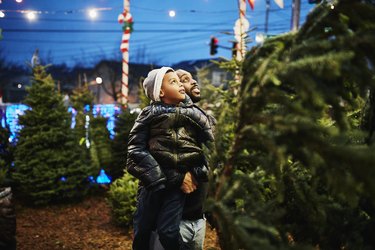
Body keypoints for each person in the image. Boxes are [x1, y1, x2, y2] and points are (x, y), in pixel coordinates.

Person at [127, 67, 214, 250]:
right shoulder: (149, 113)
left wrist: (199, 171)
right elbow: (135, 151)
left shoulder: (195, 114)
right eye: (175, 81)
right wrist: (162, 179)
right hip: (155, 186)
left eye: (181, 80)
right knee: (142, 231)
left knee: (168, 231)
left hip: (181, 194)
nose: (182, 85)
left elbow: (213, 148)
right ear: (160, 91)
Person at [151, 69, 215, 250]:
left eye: (192, 78)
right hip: (173, 222)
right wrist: (178, 177)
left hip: (198, 219)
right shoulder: (163, 121)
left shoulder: (204, 120)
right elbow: (150, 161)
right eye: (184, 80)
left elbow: (214, 158)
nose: (193, 82)